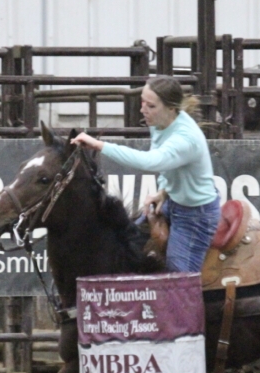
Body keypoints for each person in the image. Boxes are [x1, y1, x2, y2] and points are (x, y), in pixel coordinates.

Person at [72, 76, 220, 273]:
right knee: (128, 245)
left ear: (171, 108)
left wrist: (100, 145)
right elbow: (170, 165)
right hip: (175, 203)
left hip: (195, 216)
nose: (143, 110)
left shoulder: (186, 138)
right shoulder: (161, 122)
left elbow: (151, 161)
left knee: (178, 277)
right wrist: (164, 192)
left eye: (151, 106)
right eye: (143, 102)